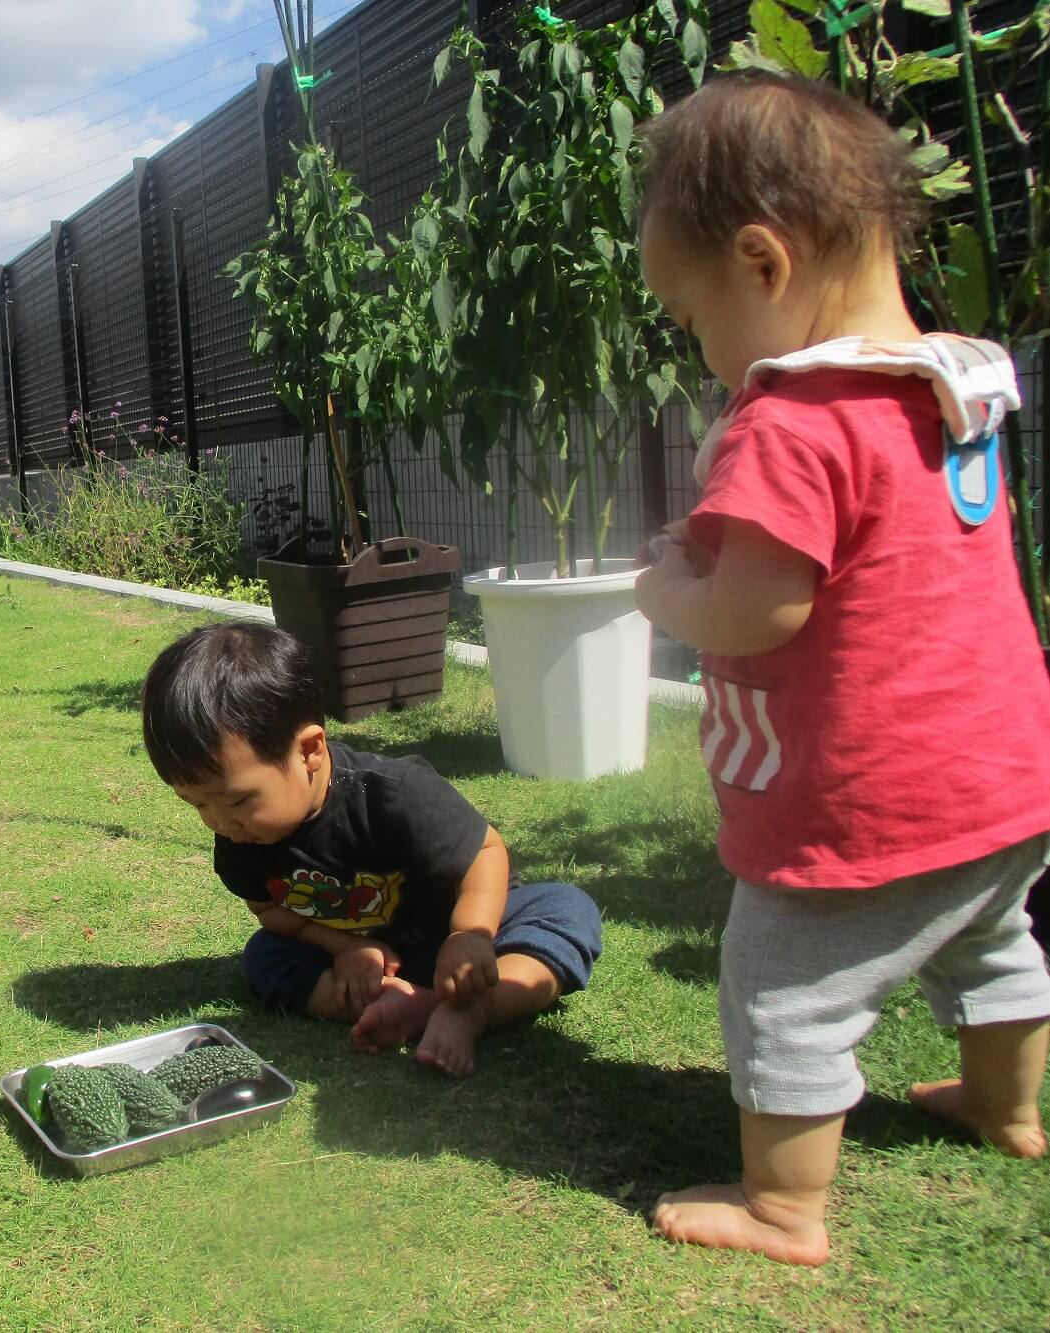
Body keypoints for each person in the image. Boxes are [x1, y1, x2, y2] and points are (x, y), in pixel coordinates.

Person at [633, 72, 1050, 1266]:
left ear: (762, 263)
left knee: (783, 988)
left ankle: (783, 1206)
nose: (700, 347)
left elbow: (759, 610)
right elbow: (879, 551)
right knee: (993, 943)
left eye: (690, 317)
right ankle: (1006, 1107)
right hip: (1003, 778)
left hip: (867, 799)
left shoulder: (792, 419)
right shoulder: (953, 391)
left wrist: (666, 591)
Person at [140, 621, 601, 1076]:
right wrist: (345, 948)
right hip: (373, 957)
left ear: (309, 751)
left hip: (464, 938)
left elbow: (485, 853)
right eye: (196, 804)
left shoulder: (395, 793)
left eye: (239, 800)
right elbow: (271, 911)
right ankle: (395, 1004)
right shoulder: (241, 836)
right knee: (266, 955)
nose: (220, 823)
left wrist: (470, 935)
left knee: (565, 909)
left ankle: (476, 1009)